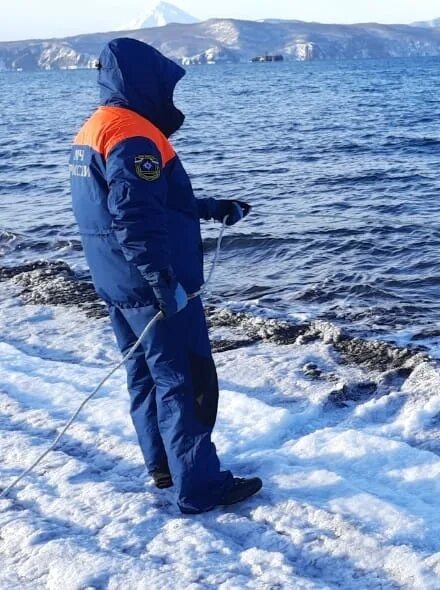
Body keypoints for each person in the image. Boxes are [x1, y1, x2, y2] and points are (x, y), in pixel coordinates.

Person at [68, 38, 261, 513]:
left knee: (146, 377)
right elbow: (135, 219)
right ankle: (199, 487)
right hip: (151, 286)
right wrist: (163, 283)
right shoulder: (134, 135)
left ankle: (164, 466)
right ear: (145, 82)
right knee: (185, 380)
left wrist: (214, 209)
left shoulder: (96, 128)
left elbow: (146, 203)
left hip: (115, 281)